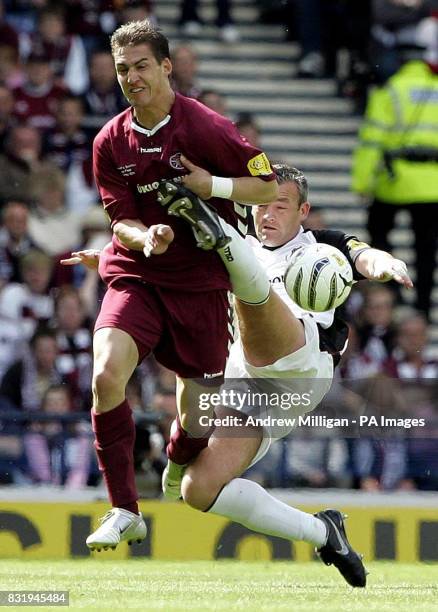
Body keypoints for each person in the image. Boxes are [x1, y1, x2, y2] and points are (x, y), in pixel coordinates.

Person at [66, 164, 412, 585]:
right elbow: (162, 262)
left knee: (242, 276)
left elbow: (363, 256)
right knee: (198, 489)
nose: (267, 214)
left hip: (298, 369)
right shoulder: (249, 241)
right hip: (242, 374)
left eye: (280, 206)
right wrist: (105, 258)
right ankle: (326, 532)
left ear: (303, 211)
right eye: (261, 204)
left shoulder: (324, 246)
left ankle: (223, 245)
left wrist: (385, 262)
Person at [70, 19, 278, 551]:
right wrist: (143, 239)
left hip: (202, 287)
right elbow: (119, 217)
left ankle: (177, 457)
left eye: (141, 66)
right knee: (104, 375)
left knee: (194, 426)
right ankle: (123, 508)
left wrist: (213, 185)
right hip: (137, 275)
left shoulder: (206, 127)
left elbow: (265, 188)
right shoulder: (109, 140)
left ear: (166, 67)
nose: (132, 77)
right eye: (122, 69)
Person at [352, 47, 438, 318]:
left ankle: (392, 288)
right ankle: (423, 302)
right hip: (431, 183)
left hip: (396, 180)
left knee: (378, 231)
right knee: (426, 247)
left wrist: (362, 183)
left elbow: (371, 141)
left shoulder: (390, 91)